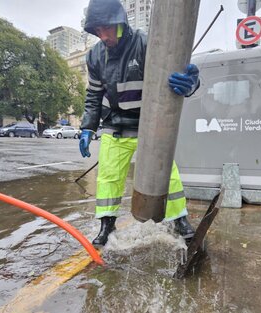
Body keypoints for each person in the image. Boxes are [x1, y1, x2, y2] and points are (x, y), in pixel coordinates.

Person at [79, 0, 200, 246]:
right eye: (98, 31)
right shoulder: (94, 56)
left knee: (169, 176)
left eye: (107, 29)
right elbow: (93, 95)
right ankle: (106, 224)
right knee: (108, 177)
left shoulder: (146, 44)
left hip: (149, 125)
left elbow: (174, 77)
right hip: (116, 125)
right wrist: (87, 127)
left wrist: (192, 84)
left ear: (120, 23)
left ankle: (180, 220)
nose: (104, 36)